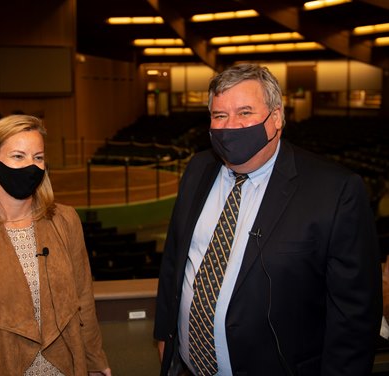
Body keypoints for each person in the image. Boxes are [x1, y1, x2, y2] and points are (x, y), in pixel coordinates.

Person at [154, 63, 382, 376]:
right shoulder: (198, 169)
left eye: (245, 112)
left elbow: (355, 316)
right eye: (220, 115)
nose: (231, 126)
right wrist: (165, 332)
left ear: (275, 118)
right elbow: (175, 262)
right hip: (188, 366)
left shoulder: (335, 191)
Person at [0, 114, 111, 376]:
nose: (31, 166)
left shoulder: (66, 221)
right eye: (18, 156)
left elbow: (84, 302)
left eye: (38, 157)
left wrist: (96, 362)